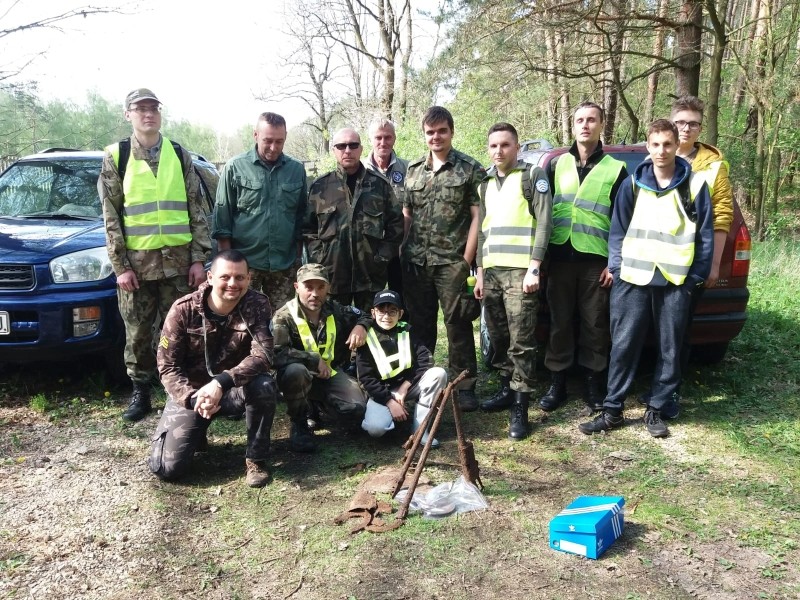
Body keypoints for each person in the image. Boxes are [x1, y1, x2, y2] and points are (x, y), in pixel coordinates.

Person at [578, 119, 713, 439]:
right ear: (647, 147)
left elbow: (705, 237)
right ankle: (612, 411)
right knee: (623, 347)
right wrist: (618, 268)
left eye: (668, 144)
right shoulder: (633, 185)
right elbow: (617, 230)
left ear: (675, 145)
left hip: (675, 281)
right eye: (655, 145)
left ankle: (657, 408)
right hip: (633, 279)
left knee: (670, 349)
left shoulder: (695, 185)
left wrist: (696, 276)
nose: (662, 151)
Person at [99, 88, 211, 422]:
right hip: (137, 267)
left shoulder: (179, 153)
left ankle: (180, 390)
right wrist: (120, 265)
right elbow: (110, 216)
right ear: (128, 114)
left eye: (153, 108)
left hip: (179, 265)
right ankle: (141, 391)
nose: (148, 114)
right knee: (137, 332)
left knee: (182, 330)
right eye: (140, 109)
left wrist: (198, 258)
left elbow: (197, 208)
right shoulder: (117, 156)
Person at [147, 250, 277, 487]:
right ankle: (197, 430)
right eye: (225, 277)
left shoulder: (258, 305)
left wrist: (221, 383)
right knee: (167, 469)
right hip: (193, 394)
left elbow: (263, 355)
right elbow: (168, 367)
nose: (232, 284)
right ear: (210, 277)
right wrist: (192, 398)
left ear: (249, 278)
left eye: (239, 278)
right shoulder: (183, 310)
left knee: (265, 385)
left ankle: (255, 459)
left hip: (233, 389)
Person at [539, 101, 628, 415]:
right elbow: (542, 213)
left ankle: (593, 383)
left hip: (596, 262)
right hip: (560, 259)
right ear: (572, 126)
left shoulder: (617, 169)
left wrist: (614, 263)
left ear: (602, 125)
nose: (586, 125)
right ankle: (557, 383)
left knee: (595, 325)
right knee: (559, 323)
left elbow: (623, 221)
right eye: (580, 120)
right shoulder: (555, 165)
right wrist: (541, 260)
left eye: (592, 120)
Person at [402, 106, 485, 412]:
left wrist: (467, 259)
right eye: (430, 132)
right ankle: (423, 381)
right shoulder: (413, 171)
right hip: (417, 263)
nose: (436, 137)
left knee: (458, 324)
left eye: (441, 131)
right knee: (419, 325)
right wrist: (402, 250)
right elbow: (407, 215)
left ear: (451, 131)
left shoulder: (470, 169)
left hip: (452, 262)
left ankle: (464, 386)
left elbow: (478, 217)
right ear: (424, 135)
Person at [474, 123, 553, 440]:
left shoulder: (533, 176)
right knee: (499, 336)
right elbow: (482, 230)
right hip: (491, 273)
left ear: (516, 146)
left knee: (521, 340)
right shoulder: (485, 182)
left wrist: (535, 267)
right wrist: (479, 272)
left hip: (521, 273)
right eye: (493, 146)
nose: (498, 151)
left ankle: (520, 406)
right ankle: (507, 389)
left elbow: (545, 222)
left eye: (505, 145)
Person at [213, 112, 307, 310]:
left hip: (284, 265)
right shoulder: (235, 167)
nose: (273, 148)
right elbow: (223, 221)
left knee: (282, 324)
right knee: (241, 323)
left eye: (279, 141)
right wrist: (229, 266)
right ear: (255, 135)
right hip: (245, 265)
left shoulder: (296, 170)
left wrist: (297, 258)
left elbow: (301, 217)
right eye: (268, 141)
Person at [271, 263, 370, 452]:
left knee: (358, 409)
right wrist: (313, 359)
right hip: (298, 376)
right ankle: (299, 424)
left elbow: (365, 315)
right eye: (308, 287)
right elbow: (275, 354)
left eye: (320, 287)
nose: (314, 294)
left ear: (328, 289)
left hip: (330, 373)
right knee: (296, 371)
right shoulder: (283, 317)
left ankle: (319, 404)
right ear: (296, 287)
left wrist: (361, 326)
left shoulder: (334, 309)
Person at [304, 127, 404, 312]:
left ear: (361, 149)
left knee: (370, 332)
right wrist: (321, 257)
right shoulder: (320, 187)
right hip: (333, 276)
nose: (347, 150)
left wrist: (381, 257)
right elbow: (308, 229)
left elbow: (396, 225)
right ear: (333, 150)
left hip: (370, 277)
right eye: (341, 146)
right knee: (335, 332)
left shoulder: (380, 185)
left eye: (353, 145)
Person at [358, 290, 447, 447]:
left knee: (438, 374)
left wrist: (405, 386)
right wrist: (389, 402)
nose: (387, 316)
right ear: (373, 312)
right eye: (381, 311)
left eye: (392, 311)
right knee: (375, 429)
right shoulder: (366, 337)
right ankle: (392, 418)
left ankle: (420, 430)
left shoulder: (407, 330)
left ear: (400, 313)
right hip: (380, 392)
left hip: (406, 387)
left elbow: (425, 359)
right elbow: (366, 379)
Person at [363, 119, 408, 297]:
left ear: (395, 138)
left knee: (403, 301)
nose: (383, 142)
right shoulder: (360, 171)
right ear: (371, 140)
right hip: (370, 252)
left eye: (388, 137)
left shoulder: (409, 169)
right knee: (372, 302)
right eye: (378, 137)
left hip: (401, 250)